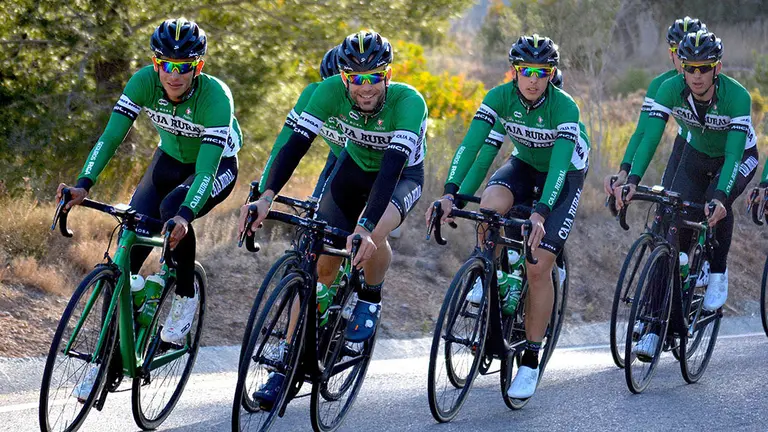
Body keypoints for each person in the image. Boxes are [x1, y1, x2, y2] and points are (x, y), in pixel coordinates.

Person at [239, 30, 427, 408]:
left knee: (372, 235)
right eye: (356, 79)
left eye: (374, 77)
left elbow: (391, 169)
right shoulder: (327, 92)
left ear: (388, 75)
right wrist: (265, 196)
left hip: (401, 177)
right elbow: (295, 144)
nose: (365, 87)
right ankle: (286, 362)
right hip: (354, 168)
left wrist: (365, 226)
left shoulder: (409, 102)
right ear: (343, 78)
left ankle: (370, 298)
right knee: (322, 261)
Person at [56, 18, 242, 399]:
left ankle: (186, 295)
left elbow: (206, 170)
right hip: (168, 159)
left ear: (198, 67)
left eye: (184, 67)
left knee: (175, 207)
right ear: (156, 65)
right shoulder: (142, 82)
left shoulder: (216, 97)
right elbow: (110, 136)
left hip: (215, 166)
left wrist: (186, 215)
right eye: (167, 66)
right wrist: (82, 184)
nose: (174, 75)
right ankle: (105, 362)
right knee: (130, 244)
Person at [427, 34, 585, 399]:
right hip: (525, 164)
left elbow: (560, 166)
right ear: (513, 71)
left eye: (542, 72)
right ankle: (487, 267)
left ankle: (530, 361)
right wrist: (451, 192)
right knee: (489, 207)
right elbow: (472, 146)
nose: (533, 79)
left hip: (564, 176)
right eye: (526, 71)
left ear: (552, 73)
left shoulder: (565, 108)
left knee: (537, 265)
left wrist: (542, 213)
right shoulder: (499, 98)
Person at [616, 30, 759, 358]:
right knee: (673, 231)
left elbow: (735, 155)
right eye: (690, 67)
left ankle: (718, 272)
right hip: (695, 157)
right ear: (682, 66)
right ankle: (654, 326)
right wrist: (633, 178)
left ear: (717, 68)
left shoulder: (737, 97)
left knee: (715, 205)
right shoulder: (669, 89)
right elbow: (650, 137)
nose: (696, 74)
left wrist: (721, 197)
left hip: (735, 158)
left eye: (704, 68)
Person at [603, 17, 706, 196]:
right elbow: (643, 133)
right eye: (678, 50)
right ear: (670, 53)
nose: (684, 58)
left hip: (721, 147)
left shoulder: (711, 84)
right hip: (687, 141)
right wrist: (624, 170)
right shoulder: (661, 85)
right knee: (666, 206)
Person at [258, 45, 346, 199]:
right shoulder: (313, 94)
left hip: (378, 161)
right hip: (339, 155)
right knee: (316, 212)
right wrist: (264, 191)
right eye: (329, 88)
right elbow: (285, 143)